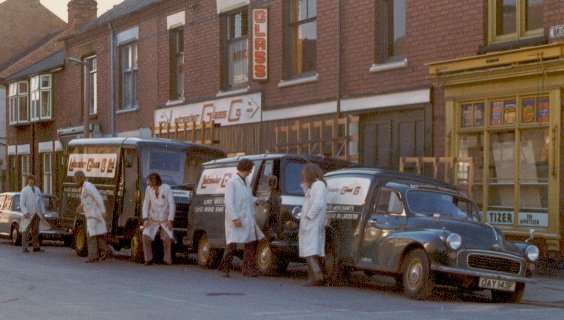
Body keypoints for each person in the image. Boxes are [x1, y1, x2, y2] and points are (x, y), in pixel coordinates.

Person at [218, 159, 265, 277]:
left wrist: (256, 200)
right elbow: (229, 202)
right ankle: (224, 268)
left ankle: (248, 269)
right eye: (249, 170)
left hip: (247, 218)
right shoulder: (232, 182)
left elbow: (248, 198)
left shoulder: (246, 182)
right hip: (237, 218)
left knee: (250, 242)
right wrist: (235, 218)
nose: (250, 172)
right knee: (232, 243)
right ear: (245, 168)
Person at [299, 163, 328, 286]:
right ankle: (315, 277)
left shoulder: (318, 185)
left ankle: (317, 277)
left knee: (310, 251)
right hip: (310, 223)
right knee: (309, 250)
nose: (303, 177)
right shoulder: (313, 186)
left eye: (305, 175)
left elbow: (318, 203)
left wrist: (309, 216)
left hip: (313, 222)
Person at [74, 170, 111, 263]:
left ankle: (93, 257)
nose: (75, 181)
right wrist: (81, 206)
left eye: (76, 179)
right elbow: (86, 200)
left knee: (91, 235)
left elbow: (97, 197)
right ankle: (106, 251)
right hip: (91, 214)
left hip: (94, 214)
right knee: (96, 235)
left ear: (80, 178)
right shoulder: (82, 188)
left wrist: (103, 211)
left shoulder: (88, 186)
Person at [142, 172, 175, 266]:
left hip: (164, 219)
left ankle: (167, 259)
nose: (153, 188)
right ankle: (148, 259)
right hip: (153, 218)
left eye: (154, 186)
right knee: (145, 236)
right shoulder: (148, 189)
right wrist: (145, 219)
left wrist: (170, 220)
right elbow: (146, 204)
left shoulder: (166, 188)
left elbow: (172, 204)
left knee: (167, 238)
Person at [20, 174, 46, 253]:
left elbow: (40, 202)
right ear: (27, 181)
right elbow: (22, 204)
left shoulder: (37, 190)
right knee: (26, 230)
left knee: (35, 230)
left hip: (36, 213)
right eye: (29, 180)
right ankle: (25, 247)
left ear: (34, 181)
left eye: (32, 180)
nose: (31, 181)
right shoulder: (24, 190)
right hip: (28, 213)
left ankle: (36, 246)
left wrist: (43, 212)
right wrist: (25, 212)